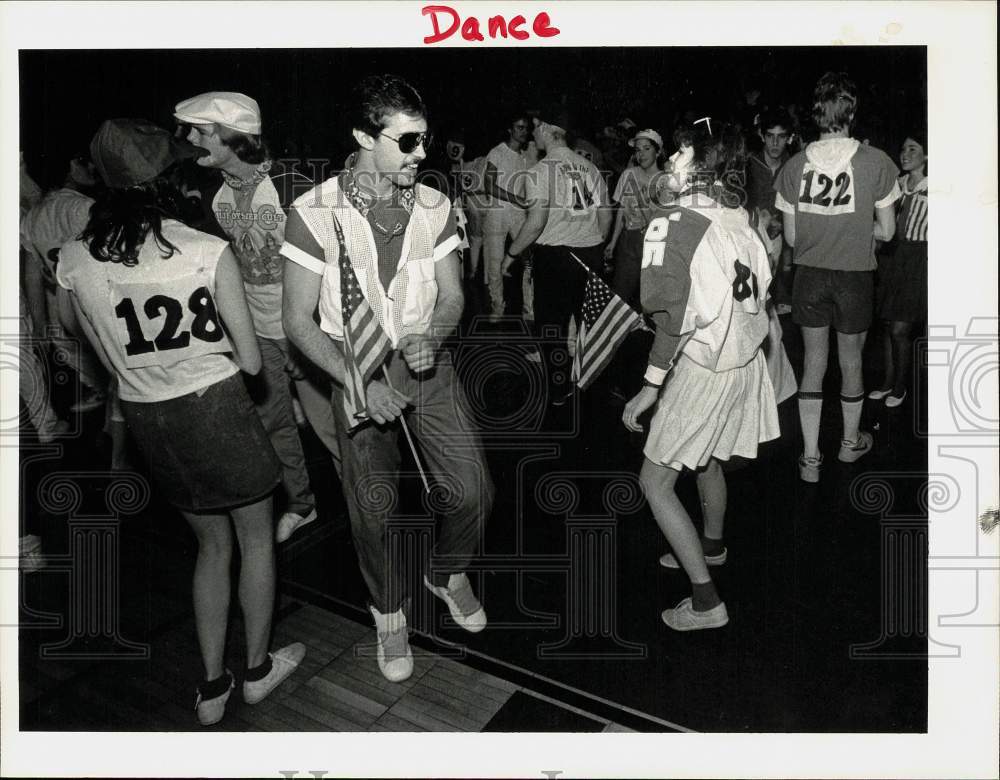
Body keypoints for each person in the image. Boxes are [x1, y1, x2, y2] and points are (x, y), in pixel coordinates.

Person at [56, 118, 305, 725]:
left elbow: (72, 330)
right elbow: (249, 361)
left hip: (147, 418)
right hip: (215, 408)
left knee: (209, 548)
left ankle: (212, 687)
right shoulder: (203, 250)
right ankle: (255, 672)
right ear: (169, 180)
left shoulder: (72, 256)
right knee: (253, 540)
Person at [282, 74, 494, 683]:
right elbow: (297, 320)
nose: (420, 155)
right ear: (362, 137)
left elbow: (453, 296)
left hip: (425, 362)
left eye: (424, 140)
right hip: (349, 366)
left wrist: (437, 332)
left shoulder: (433, 205)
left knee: (474, 489)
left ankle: (447, 570)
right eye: (406, 142)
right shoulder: (312, 212)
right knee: (373, 506)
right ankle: (388, 612)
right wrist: (357, 380)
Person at [622, 120, 778, 631]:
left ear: (698, 162)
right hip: (745, 362)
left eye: (680, 151)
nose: (670, 159)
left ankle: (707, 602)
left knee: (655, 482)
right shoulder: (738, 216)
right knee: (706, 455)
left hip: (706, 366)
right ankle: (711, 546)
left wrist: (649, 387)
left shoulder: (676, 219)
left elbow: (673, 316)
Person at [174, 91, 335, 541]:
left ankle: (368, 511)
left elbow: (336, 266)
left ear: (233, 138)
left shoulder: (292, 186)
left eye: (200, 132)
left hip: (306, 328)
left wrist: (309, 333)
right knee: (272, 422)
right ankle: (302, 503)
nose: (189, 140)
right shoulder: (219, 194)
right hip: (258, 329)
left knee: (334, 427)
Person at [774, 72, 900, 483]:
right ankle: (849, 444)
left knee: (813, 363)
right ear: (852, 112)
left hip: (810, 275)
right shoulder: (876, 162)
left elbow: (791, 237)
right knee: (851, 363)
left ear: (815, 115)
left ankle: (810, 457)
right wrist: (855, 228)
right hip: (854, 276)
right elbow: (887, 232)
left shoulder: (794, 166)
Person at [506, 105, 612, 404]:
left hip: (555, 258)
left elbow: (536, 222)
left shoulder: (540, 171)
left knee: (550, 327)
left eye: (536, 127)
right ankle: (592, 384)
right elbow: (605, 213)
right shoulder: (589, 167)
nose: (533, 133)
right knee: (588, 323)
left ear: (548, 130)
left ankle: (558, 389)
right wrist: (596, 241)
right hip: (589, 254)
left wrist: (511, 254)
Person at [870, 130, 927, 408]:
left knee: (901, 330)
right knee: (887, 325)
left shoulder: (936, 189)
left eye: (913, 149)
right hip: (891, 259)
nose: (905, 154)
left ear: (927, 155)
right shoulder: (896, 185)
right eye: (903, 149)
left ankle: (901, 388)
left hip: (916, 261)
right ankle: (887, 382)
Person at [604, 128, 663, 306]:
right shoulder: (628, 174)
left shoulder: (665, 180)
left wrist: (639, 194)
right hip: (628, 239)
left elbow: (659, 221)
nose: (641, 154)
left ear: (658, 151)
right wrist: (613, 242)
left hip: (652, 242)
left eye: (646, 148)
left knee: (647, 298)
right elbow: (622, 210)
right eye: (637, 150)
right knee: (620, 294)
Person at [482, 113, 531, 319]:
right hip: (497, 214)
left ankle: (530, 308)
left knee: (529, 260)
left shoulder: (525, 157)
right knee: (494, 262)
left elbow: (526, 188)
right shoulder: (497, 152)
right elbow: (489, 185)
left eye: (525, 128)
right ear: (510, 130)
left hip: (519, 215)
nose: (524, 132)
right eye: (519, 127)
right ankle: (498, 306)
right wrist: (516, 198)